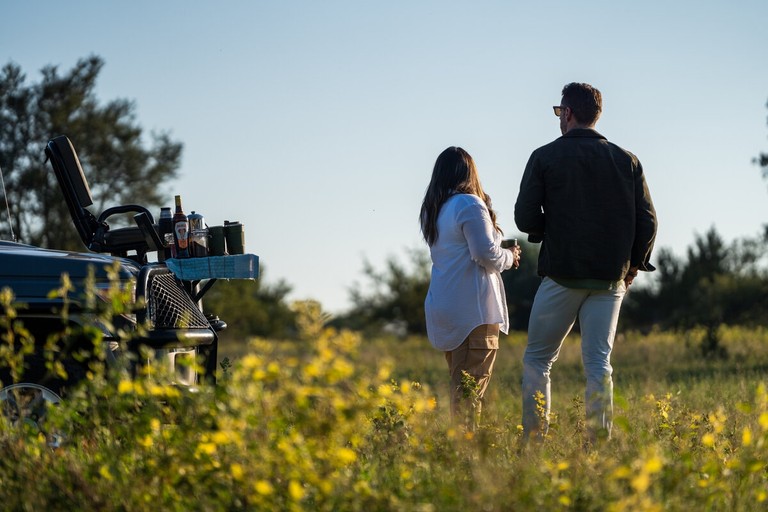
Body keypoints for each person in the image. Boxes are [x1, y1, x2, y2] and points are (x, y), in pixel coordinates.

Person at [514, 83, 657, 444]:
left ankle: (533, 442)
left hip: (562, 274)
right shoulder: (628, 161)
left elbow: (525, 216)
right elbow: (649, 220)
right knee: (598, 364)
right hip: (611, 278)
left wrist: (555, 229)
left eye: (559, 112)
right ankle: (598, 446)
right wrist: (634, 265)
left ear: (568, 113)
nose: (559, 118)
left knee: (538, 360)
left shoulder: (545, 156)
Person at [420, 146, 521, 429]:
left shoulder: (436, 210)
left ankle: (462, 453)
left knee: (462, 388)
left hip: (447, 307)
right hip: (472, 313)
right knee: (468, 394)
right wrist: (510, 257)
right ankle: (465, 459)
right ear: (470, 172)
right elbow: (485, 254)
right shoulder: (468, 204)